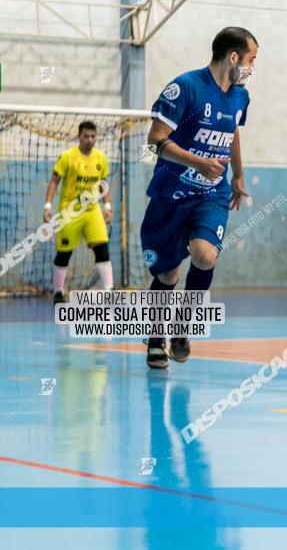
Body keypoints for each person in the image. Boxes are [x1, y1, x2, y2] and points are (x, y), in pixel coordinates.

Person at [140, 26, 256, 369]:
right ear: (233, 57)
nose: (252, 68)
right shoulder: (185, 88)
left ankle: (182, 327)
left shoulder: (240, 96)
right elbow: (155, 140)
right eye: (251, 60)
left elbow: (232, 130)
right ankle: (156, 337)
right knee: (168, 275)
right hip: (171, 193)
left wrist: (238, 174)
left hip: (212, 194)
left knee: (205, 256)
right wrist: (198, 162)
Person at [43, 120, 114, 303]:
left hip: (92, 210)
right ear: (79, 136)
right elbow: (54, 181)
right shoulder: (68, 157)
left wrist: (107, 207)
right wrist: (48, 206)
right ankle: (58, 291)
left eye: (93, 136)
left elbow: (103, 184)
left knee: (102, 248)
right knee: (64, 253)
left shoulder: (100, 158)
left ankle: (109, 292)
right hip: (69, 211)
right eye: (86, 136)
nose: (89, 140)